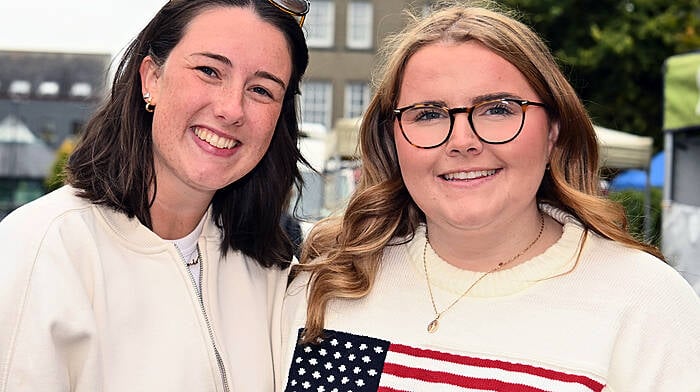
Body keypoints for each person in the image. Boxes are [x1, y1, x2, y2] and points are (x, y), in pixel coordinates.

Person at [278, 2, 700, 391]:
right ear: (393, 139)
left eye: (497, 108)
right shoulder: (329, 273)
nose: (462, 141)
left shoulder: (645, 303)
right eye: (428, 114)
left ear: (553, 130)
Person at [0, 0, 309, 390]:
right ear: (152, 79)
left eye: (262, 90)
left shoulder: (273, 271)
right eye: (209, 71)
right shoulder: (42, 249)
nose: (232, 110)